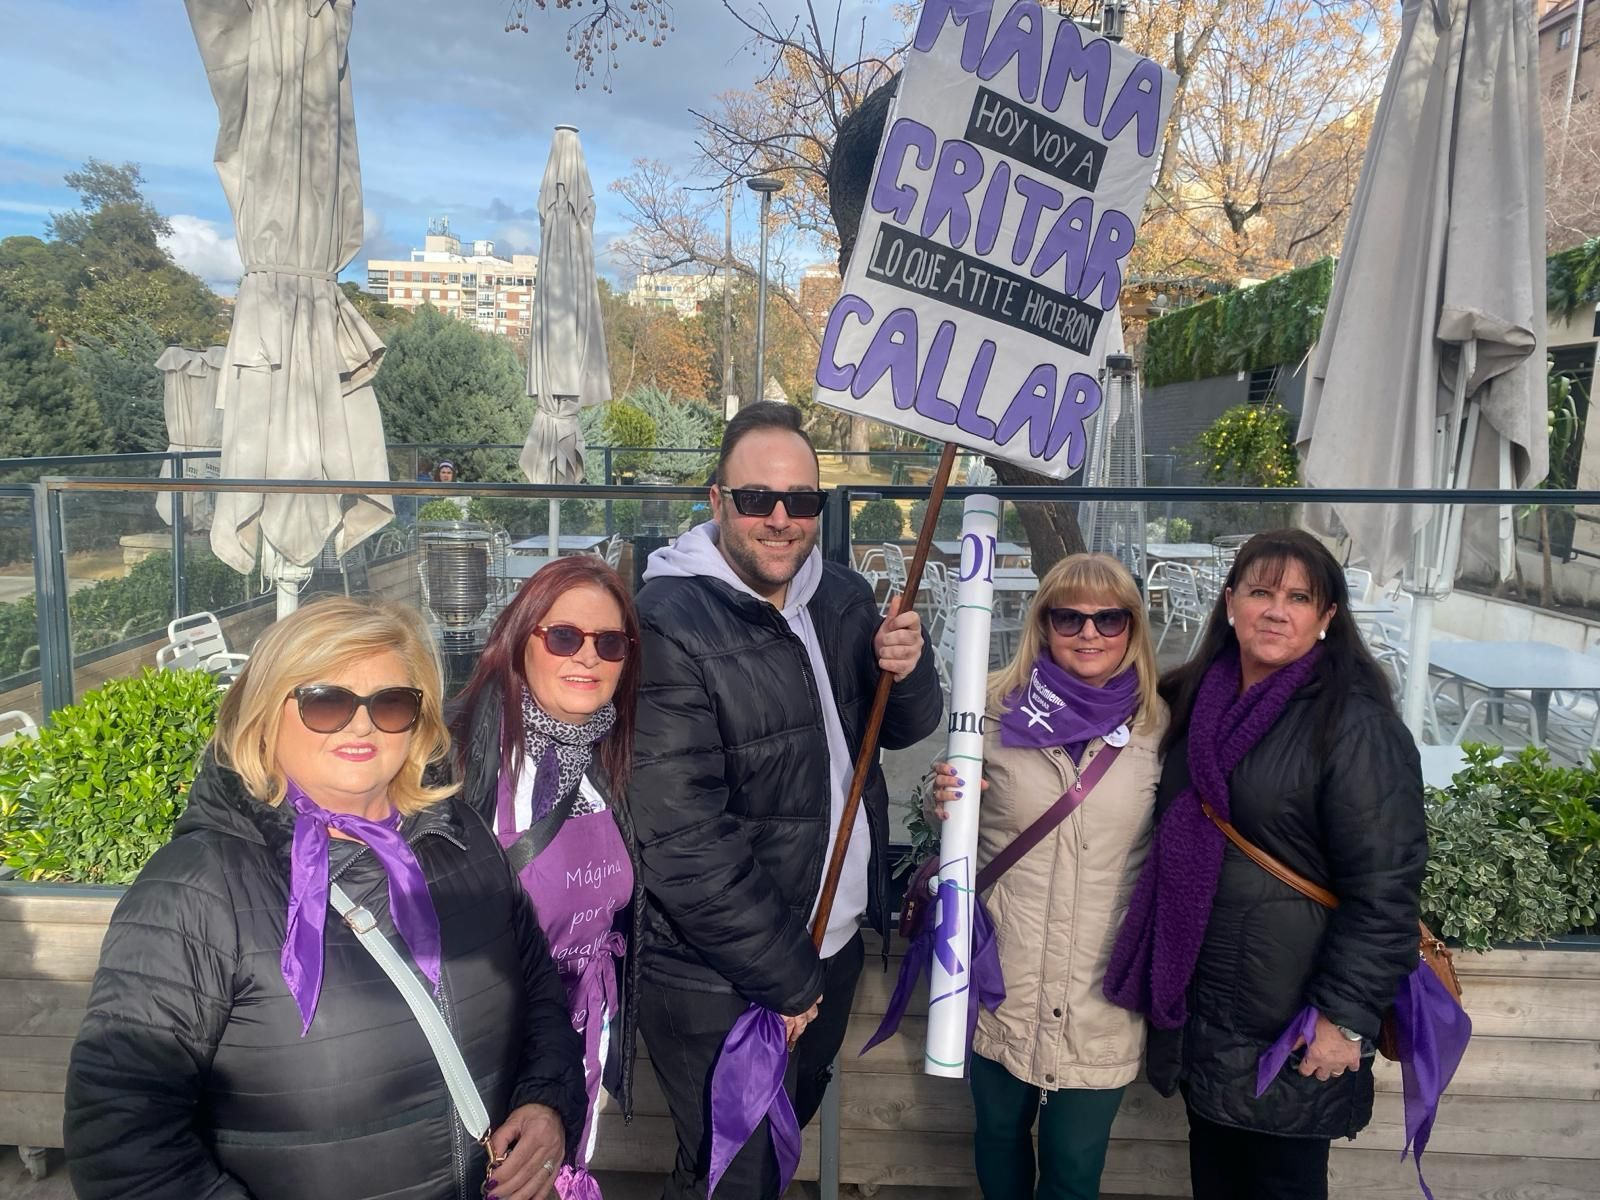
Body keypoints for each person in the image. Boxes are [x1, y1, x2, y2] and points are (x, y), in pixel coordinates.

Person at [63, 597, 586, 1200]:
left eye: (391, 703)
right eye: (325, 701)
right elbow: (121, 1142)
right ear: (264, 712)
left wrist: (548, 1101)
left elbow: (539, 987)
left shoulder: (459, 838)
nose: (361, 724)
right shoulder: (197, 890)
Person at [631, 402, 943, 1199]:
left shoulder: (835, 593)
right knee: (732, 1172)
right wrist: (786, 976)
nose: (781, 519)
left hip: (828, 949)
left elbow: (902, 729)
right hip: (725, 972)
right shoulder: (667, 622)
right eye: (757, 499)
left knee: (770, 1150)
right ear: (715, 502)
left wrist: (907, 664)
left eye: (803, 501)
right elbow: (681, 835)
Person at [1103, 529, 1427, 1200]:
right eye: (1261, 592)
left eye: (1300, 597)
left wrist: (1344, 1018)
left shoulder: (1353, 725)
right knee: (1217, 1180)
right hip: (1208, 1018)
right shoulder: (1192, 701)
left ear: (1327, 618)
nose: (1277, 611)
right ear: (1230, 604)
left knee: (1282, 1184)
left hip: (1295, 1025)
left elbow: (1386, 892)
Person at [924, 553, 1168, 1200]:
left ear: (1132, 628)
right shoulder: (993, 714)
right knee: (999, 1140)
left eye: (1109, 619)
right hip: (1007, 977)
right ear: (1044, 624)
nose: (1090, 633)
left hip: (1101, 992)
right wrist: (939, 796)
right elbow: (952, 814)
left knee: (1073, 1162)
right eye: (1070, 617)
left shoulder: (1161, 728)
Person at [451, 556, 644, 1190]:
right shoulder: (459, 760)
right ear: (520, 640)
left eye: (609, 643)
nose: (587, 657)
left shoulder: (609, 760)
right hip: (489, 1058)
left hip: (584, 1045)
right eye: (563, 637)